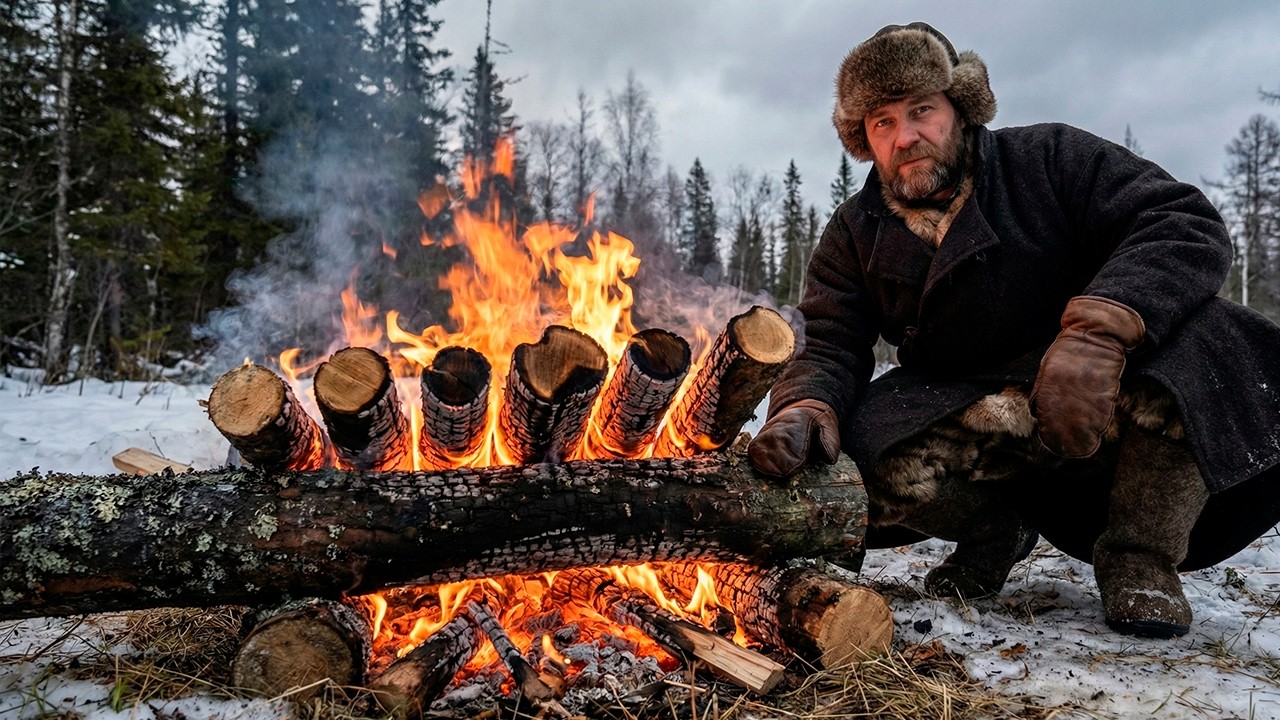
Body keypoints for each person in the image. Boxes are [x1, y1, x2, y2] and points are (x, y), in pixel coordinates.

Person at [748, 22, 1280, 639]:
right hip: (964, 396)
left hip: (1098, 384)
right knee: (855, 451)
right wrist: (805, 403)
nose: (906, 136)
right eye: (882, 123)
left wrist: (1100, 329)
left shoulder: (1048, 158)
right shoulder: (855, 229)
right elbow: (832, 336)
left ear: (961, 107)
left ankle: (1140, 556)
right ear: (863, 139)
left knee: (1213, 342)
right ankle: (994, 528)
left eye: (921, 110)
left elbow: (1181, 221)